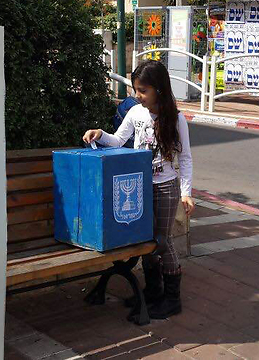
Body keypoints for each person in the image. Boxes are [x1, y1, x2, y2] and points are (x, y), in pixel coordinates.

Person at [82, 60, 195, 319]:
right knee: (146, 240)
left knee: (162, 242)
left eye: (143, 90)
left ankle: (172, 298)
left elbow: (185, 158)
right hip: (139, 186)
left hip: (165, 187)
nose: (137, 95)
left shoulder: (176, 119)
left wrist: (187, 192)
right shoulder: (135, 113)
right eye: (136, 89)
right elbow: (119, 140)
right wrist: (100, 134)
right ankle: (153, 291)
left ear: (159, 89)